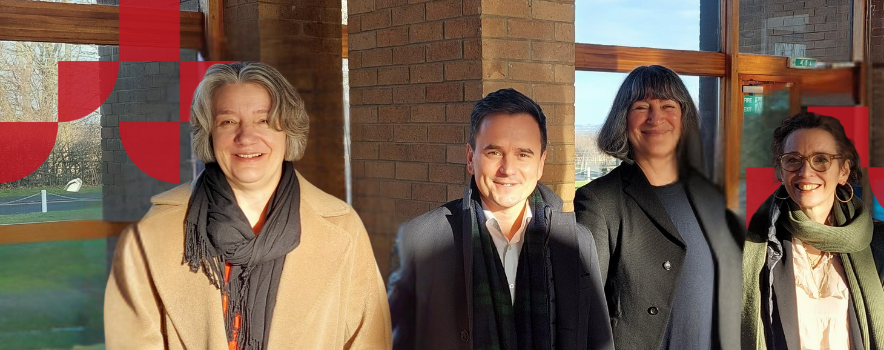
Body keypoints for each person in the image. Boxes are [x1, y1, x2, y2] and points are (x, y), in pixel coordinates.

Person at [104, 62, 392, 349]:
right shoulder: (149, 236)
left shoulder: (342, 226)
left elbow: (370, 341)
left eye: (263, 120)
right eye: (228, 122)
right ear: (210, 133)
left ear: (288, 131)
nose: (246, 137)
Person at [387, 88, 613, 350]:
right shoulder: (419, 241)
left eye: (523, 154)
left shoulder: (576, 244)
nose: (508, 169)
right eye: (494, 153)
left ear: (541, 163)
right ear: (471, 159)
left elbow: (598, 341)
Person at [574, 65, 743, 350]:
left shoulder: (714, 194)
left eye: (667, 105)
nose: (656, 118)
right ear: (623, 119)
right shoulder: (600, 201)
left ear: (684, 116)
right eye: (641, 106)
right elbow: (588, 311)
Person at [741, 112, 884, 350]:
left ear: (843, 171)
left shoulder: (879, 243)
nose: (805, 172)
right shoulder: (756, 244)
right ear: (780, 170)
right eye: (793, 159)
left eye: (820, 159)